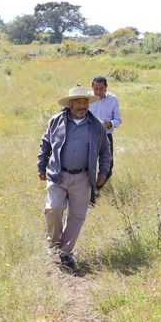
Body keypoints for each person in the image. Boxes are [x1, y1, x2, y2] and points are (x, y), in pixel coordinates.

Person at [37, 86, 111, 269]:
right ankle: (53, 245)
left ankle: (66, 253)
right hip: (58, 174)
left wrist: (103, 172)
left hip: (83, 177)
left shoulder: (96, 126)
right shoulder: (55, 121)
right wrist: (41, 165)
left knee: (77, 216)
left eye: (85, 102)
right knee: (53, 209)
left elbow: (105, 150)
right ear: (70, 104)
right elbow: (45, 143)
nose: (82, 105)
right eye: (78, 101)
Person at [88, 76, 122, 190]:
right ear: (92, 86)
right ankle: (90, 193)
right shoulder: (86, 97)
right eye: (95, 89)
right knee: (88, 165)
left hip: (106, 136)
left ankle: (97, 189)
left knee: (108, 166)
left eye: (101, 89)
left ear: (106, 87)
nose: (98, 92)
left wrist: (110, 123)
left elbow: (118, 120)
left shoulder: (113, 99)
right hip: (88, 136)